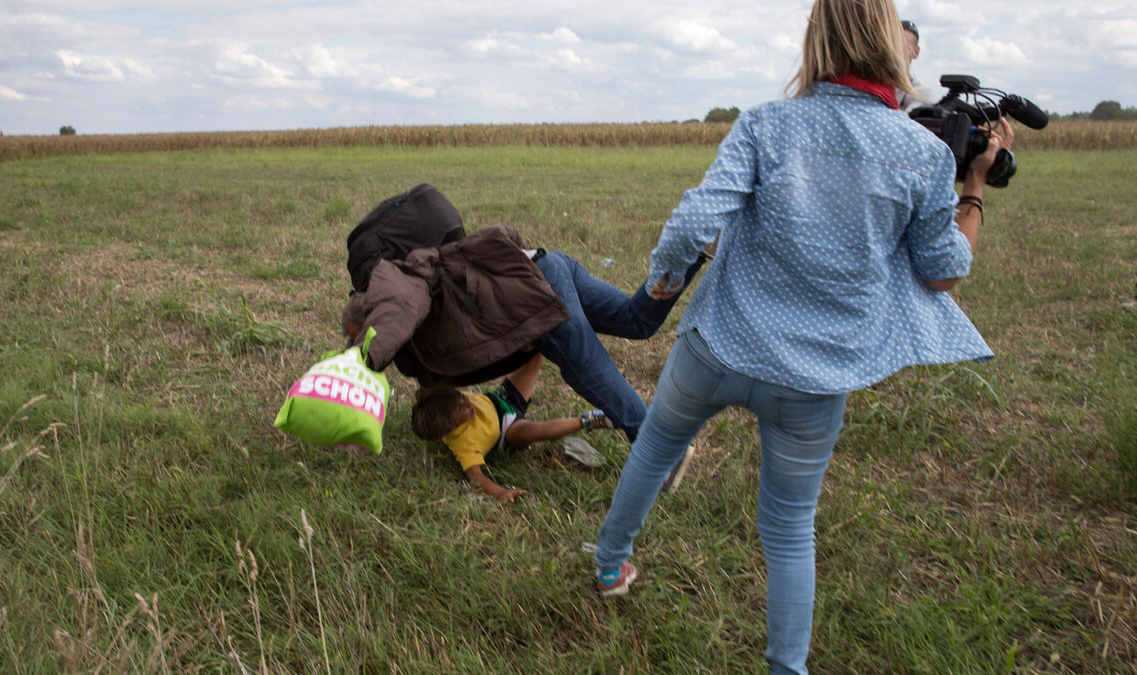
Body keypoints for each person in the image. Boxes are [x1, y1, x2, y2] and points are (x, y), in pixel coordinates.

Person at [592, 0, 1013, 673]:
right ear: (889, 44)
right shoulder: (923, 154)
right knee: (789, 528)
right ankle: (787, 666)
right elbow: (943, 274)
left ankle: (610, 566)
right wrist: (975, 185)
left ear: (817, 40)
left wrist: (665, 281)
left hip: (716, 345)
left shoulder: (766, 124)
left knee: (652, 452)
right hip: (814, 381)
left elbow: (694, 220)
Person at [344, 224, 706, 442]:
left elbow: (392, 324)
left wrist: (357, 364)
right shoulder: (417, 323)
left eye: (358, 335)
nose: (357, 343)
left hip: (533, 295)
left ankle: (659, 451)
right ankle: (691, 251)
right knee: (635, 320)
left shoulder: (401, 302)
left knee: (588, 370)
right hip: (545, 265)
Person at [411, 353, 612, 503]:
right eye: (461, 409)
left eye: (460, 397)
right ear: (452, 427)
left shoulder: (445, 400)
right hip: (507, 430)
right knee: (530, 432)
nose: (466, 401)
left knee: (535, 355)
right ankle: (590, 421)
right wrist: (500, 492)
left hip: (502, 399)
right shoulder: (463, 444)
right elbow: (476, 476)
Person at [897, 19, 934, 111]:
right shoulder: (869, 89)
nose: (895, 53)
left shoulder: (922, 95)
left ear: (916, 52)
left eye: (903, 48)